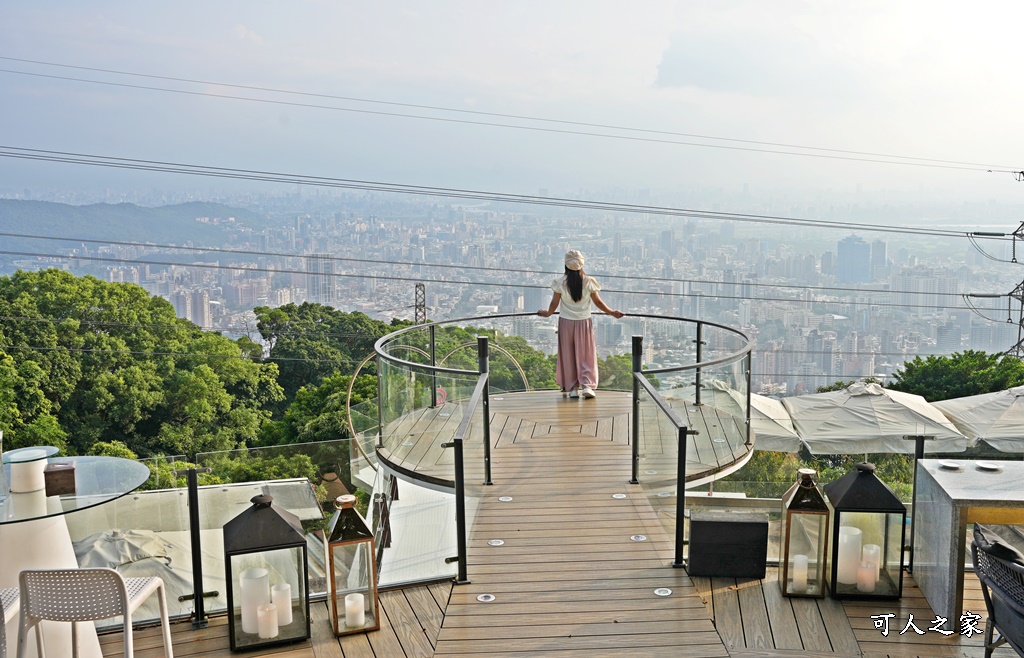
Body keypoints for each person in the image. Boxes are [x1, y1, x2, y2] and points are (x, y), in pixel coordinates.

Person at [538, 249, 624, 399]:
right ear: (581, 265)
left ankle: (572, 388)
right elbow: (598, 302)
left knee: (568, 354)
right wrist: (612, 312)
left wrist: (547, 313)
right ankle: (587, 386)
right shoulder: (588, 282)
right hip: (584, 322)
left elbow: (554, 304)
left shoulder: (560, 283)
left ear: (565, 265)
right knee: (586, 354)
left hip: (566, 322)